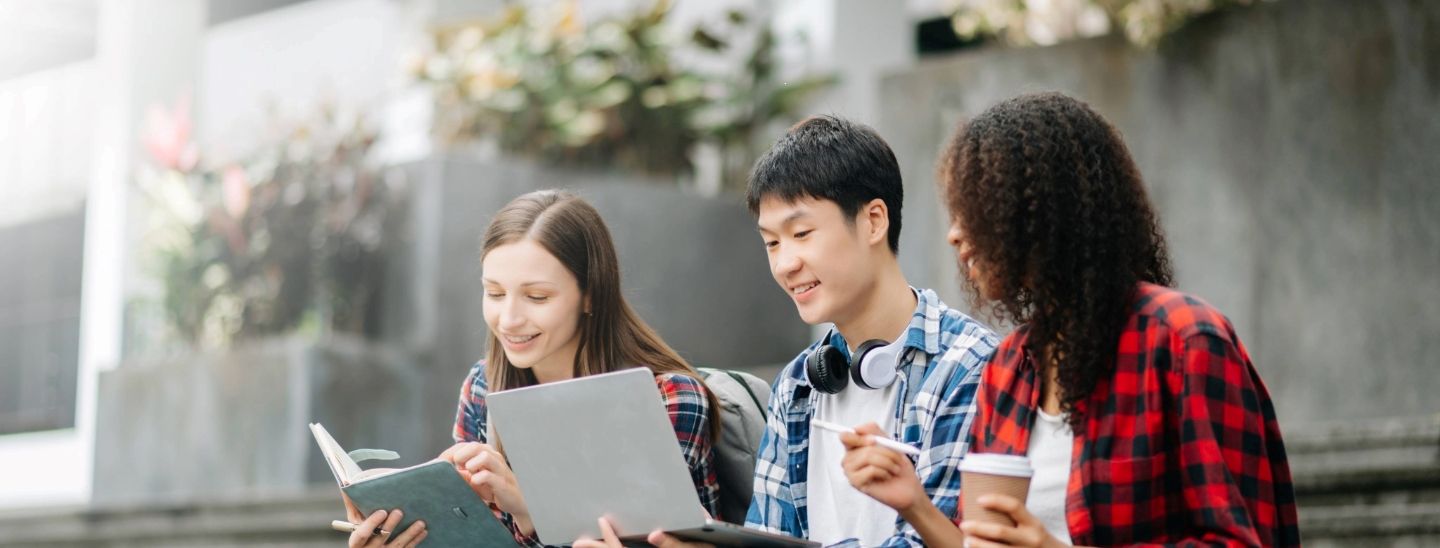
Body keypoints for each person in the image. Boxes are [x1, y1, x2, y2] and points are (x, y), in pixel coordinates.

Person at [840, 91, 1301, 547]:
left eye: (976, 209)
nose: (955, 234)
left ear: (1043, 209)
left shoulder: (1184, 340)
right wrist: (913, 503)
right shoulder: (1008, 369)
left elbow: (1241, 539)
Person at [345, 189, 723, 548]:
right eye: (494, 293)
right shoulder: (483, 387)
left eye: (536, 296)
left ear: (591, 294)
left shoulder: (669, 400)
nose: (508, 319)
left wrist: (528, 509)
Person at [740, 115, 998, 548]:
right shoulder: (797, 385)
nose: (785, 264)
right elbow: (767, 538)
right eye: (772, 242)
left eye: (801, 233)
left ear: (874, 221)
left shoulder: (969, 367)